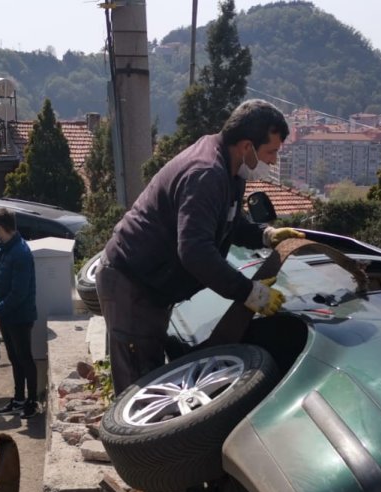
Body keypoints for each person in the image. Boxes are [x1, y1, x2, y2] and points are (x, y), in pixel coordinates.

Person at [97, 100, 303, 392]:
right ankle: (137, 439)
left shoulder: (232, 171)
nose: (272, 162)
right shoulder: (206, 173)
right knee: (138, 389)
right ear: (247, 146)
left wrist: (265, 236)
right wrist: (248, 293)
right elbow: (195, 251)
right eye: (271, 152)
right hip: (131, 284)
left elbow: (229, 222)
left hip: (151, 286)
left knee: (150, 375)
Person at [0, 208, 44, 419]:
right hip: (7, 316)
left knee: (25, 358)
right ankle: (18, 398)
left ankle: (32, 401)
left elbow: (19, 292)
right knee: (14, 359)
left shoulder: (20, 252)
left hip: (20, 316)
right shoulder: (5, 249)